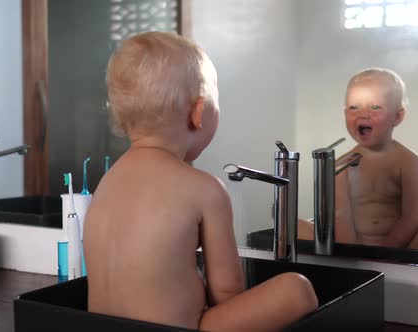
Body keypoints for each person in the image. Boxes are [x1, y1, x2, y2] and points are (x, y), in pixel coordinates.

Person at [83, 31, 317, 332]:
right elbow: (227, 293)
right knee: (296, 289)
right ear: (198, 113)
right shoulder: (204, 188)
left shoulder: (109, 181)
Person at [299, 68, 418, 249]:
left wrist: (386, 253)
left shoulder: (408, 162)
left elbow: (411, 218)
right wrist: (354, 257)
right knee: (294, 226)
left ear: (398, 116)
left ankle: (390, 261)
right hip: (352, 249)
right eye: (353, 107)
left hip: (401, 248)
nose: (363, 114)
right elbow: (341, 220)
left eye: (375, 107)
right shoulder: (340, 166)